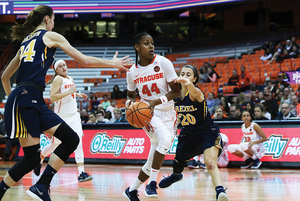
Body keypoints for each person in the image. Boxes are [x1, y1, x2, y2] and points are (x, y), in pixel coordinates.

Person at [0, 5, 131, 201]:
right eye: (53, 20)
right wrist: (113, 64)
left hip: (24, 97)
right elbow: (84, 61)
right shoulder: (49, 36)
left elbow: (4, 77)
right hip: (30, 97)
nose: (54, 23)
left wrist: (15, 99)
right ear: (46, 19)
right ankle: (41, 186)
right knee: (51, 148)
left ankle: (40, 186)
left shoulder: (25, 42)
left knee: (45, 152)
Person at [158, 65, 229, 201]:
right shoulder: (174, 96)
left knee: (209, 163)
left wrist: (187, 83)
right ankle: (176, 176)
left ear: (195, 78)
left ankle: (220, 192)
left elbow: (192, 89)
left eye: (188, 74)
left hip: (207, 133)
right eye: (182, 73)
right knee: (178, 162)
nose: (184, 76)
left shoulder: (196, 92)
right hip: (188, 135)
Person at [123, 33, 180, 200]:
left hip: (168, 112)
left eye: (152, 43)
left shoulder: (163, 62)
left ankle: (131, 190)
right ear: (137, 47)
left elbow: (176, 91)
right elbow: (131, 95)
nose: (151, 46)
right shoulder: (132, 72)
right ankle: (152, 184)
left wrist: (157, 101)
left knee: (152, 159)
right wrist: (129, 103)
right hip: (149, 113)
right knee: (165, 140)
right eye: (146, 43)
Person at [32, 59, 93, 182]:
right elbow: (53, 97)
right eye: (60, 66)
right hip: (61, 117)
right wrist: (69, 92)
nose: (64, 67)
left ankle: (81, 173)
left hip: (74, 116)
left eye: (64, 65)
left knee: (79, 142)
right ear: (56, 70)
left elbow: (68, 93)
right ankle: (39, 158)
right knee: (55, 145)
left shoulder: (69, 78)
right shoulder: (57, 79)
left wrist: (77, 94)